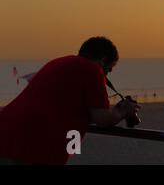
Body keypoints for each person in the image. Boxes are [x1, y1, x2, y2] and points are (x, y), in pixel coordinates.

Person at [0, 37, 140, 165]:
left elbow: (66, 108)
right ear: (102, 60)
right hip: (29, 148)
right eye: (108, 70)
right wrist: (124, 112)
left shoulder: (59, 62)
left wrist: (114, 111)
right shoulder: (92, 70)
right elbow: (102, 119)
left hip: (7, 135)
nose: (106, 75)